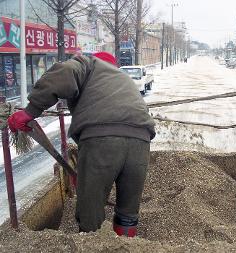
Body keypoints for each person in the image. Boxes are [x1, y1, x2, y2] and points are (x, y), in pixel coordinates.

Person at [7, 52, 155, 237]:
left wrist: (31, 110)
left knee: (90, 208)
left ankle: (90, 243)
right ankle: (125, 244)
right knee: (128, 210)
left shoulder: (89, 63)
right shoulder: (124, 80)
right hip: (141, 142)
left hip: (103, 140)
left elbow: (66, 72)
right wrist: (87, 171)